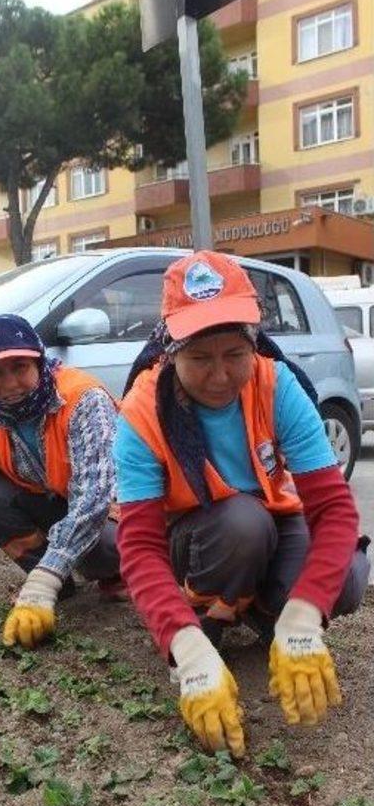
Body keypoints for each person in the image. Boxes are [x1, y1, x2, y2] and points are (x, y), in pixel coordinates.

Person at [114, 250, 370, 758]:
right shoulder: (142, 411)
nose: (219, 376)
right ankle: (206, 622)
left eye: (234, 354)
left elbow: (333, 511)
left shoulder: (277, 384)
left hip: (272, 517)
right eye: (200, 359)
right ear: (170, 350)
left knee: (345, 577)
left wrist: (303, 615)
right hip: (197, 538)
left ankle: (270, 617)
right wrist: (184, 649)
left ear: (254, 343)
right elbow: (140, 547)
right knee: (242, 523)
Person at [0, 313, 124, 650]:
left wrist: (41, 584)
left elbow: (94, 499)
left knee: (105, 546)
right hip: (52, 501)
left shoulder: (84, 399)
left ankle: (110, 576)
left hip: (111, 511)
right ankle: (56, 582)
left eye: (20, 367)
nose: (11, 383)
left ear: (40, 363)